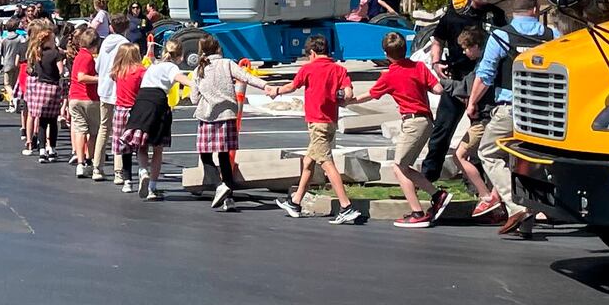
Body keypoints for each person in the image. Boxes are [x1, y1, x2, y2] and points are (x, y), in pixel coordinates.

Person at [467, 0, 557, 236]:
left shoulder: (501, 36)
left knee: (488, 152)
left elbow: (485, 74)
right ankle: (526, 223)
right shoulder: (553, 36)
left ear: (512, 12)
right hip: (544, 111)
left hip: (512, 108)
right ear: (536, 10)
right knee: (527, 160)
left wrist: (472, 102)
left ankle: (516, 205)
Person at [350, 32, 449, 228]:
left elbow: (370, 95)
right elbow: (438, 89)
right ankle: (436, 195)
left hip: (412, 121)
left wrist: (348, 100)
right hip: (425, 120)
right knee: (405, 165)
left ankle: (420, 210)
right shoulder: (419, 67)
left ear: (386, 53)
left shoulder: (390, 76)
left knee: (399, 167)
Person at [422, 0, 507, 182]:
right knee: (442, 129)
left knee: (479, 134)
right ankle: (429, 177)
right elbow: (438, 40)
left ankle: (476, 182)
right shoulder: (453, 15)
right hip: (456, 78)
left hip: (483, 83)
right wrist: (436, 62)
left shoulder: (495, 15)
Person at [268, 35, 362, 225]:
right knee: (308, 161)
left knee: (327, 164)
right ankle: (295, 202)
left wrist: (274, 91)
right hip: (330, 122)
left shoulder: (308, 69)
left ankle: (346, 206)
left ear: (311, 53)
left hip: (316, 123)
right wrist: (341, 97)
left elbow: (291, 86)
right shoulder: (339, 69)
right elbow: (349, 92)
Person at [190, 34, 269, 212]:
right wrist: (266, 86)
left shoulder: (198, 71)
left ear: (201, 51)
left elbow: (194, 99)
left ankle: (219, 185)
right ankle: (229, 197)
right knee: (224, 157)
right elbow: (246, 77)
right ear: (218, 48)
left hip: (207, 116)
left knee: (205, 155)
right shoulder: (227, 64)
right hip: (227, 115)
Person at [120, 40, 192, 200]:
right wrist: (195, 84)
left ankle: (143, 171)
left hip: (141, 101)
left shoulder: (153, 66)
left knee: (142, 145)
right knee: (157, 148)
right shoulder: (172, 67)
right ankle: (152, 187)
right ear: (179, 56)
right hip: (158, 102)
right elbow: (179, 78)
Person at [450, 28, 501, 218]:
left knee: (460, 155)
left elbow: (468, 88)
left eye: (466, 48)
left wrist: (443, 83)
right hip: (488, 118)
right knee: (493, 159)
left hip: (483, 120)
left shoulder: (482, 69)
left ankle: (485, 196)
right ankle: (495, 200)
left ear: (477, 47)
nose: (464, 52)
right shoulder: (487, 64)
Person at [93, 13, 131, 183]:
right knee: (119, 132)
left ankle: (97, 167)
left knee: (104, 128)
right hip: (120, 91)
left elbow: (97, 66)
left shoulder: (104, 43)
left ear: (110, 27)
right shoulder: (126, 45)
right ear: (127, 28)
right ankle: (118, 171)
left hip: (104, 90)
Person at [110, 43, 146, 193]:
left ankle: (127, 180)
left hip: (120, 111)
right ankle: (143, 170)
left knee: (124, 147)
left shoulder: (118, 71)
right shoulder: (140, 71)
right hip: (136, 110)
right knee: (140, 144)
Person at [25, 28, 65, 163]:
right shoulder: (56, 54)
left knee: (42, 121)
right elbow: (61, 71)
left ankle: (41, 151)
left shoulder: (38, 53)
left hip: (40, 87)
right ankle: (52, 149)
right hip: (53, 87)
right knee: (53, 121)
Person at [67, 28, 101, 177]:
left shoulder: (79, 55)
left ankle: (81, 163)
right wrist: (100, 79)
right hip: (88, 98)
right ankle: (90, 161)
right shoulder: (87, 57)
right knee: (94, 132)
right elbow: (82, 77)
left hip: (74, 97)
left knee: (80, 130)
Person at [0, 18, 24, 114]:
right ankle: (14, 101)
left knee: (7, 84)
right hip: (17, 62)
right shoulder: (20, 38)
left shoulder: (4, 39)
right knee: (14, 84)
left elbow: (1, 51)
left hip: (7, 62)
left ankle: (12, 101)